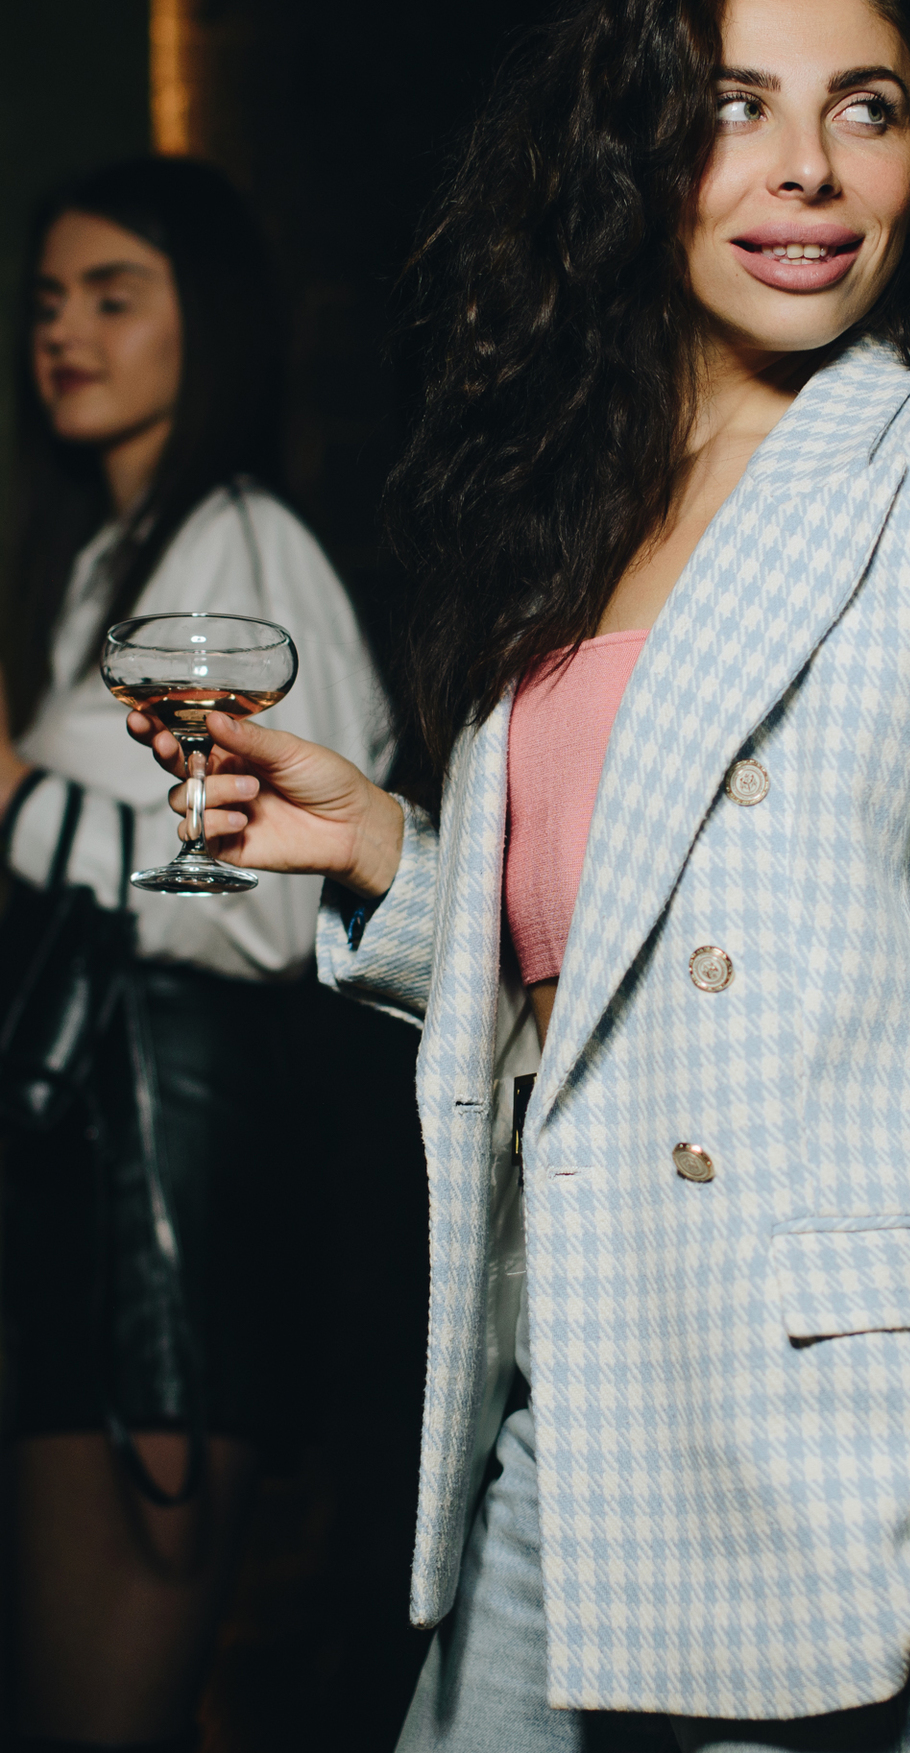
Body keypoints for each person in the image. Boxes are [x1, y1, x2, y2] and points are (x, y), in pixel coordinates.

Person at [131, 0, 910, 1753]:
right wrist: (387, 852)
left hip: (858, 1475)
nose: (808, 168)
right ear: (637, 154)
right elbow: (625, 987)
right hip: (567, 1425)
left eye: (864, 108)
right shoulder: (574, 510)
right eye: (733, 107)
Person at [0, 157, 391, 1752]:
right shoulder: (106, 564)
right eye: (46, 303)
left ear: (205, 324)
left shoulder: (239, 546)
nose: (63, 334)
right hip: (80, 1171)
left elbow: (267, 907)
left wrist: (14, 796)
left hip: (167, 1181)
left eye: (114, 296)